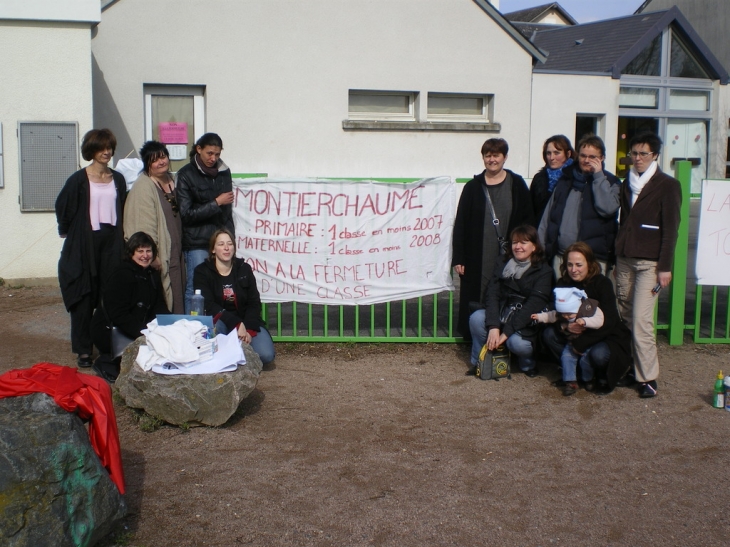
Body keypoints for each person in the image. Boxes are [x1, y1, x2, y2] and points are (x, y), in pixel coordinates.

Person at [614, 132, 681, 399]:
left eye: (643, 153)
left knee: (642, 320)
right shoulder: (626, 184)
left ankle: (648, 377)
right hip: (625, 258)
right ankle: (632, 368)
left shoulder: (668, 185)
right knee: (627, 317)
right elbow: (623, 221)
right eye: (634, 153)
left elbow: (671, 230)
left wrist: (665, 266)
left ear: (655, 155)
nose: (637, 158)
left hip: (650, 263)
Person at [55, 128, 127, 368]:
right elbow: (63, 208)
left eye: (109, 148)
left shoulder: (117, 179)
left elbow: (123, 208)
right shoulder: (78, 180)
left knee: (110, 296)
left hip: (112, 243)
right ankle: (84, 350)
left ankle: (110, 345)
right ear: (92, 151)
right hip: (85, 243)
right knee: (84, 298)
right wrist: (66, 231)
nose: (106, 152)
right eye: (101, 148)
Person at [452, 138, 534, 339]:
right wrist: (459, 257)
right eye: (488, 155)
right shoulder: (472, 187)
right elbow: (461, 223)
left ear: (504, 157)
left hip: (511, 254)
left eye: (496, 155)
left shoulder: (517, 184)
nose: (492, 160)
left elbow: (528, 219)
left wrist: (526, 248)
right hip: (477, 255)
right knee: (477, 294)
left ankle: (504, 336)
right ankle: (476, 340)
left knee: (506, 293)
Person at [542, 242, 632, 394]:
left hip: (602, 334)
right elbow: (556, 312)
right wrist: (564, 326)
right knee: (549, 335)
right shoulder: (563, 283)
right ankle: (573, 372)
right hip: (573, 331)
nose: (573, 270)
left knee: (598, 354)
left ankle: (599, 374)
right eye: (569, 265)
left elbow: (610, 321)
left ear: (589, 264)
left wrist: (581, 342)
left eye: (578, 265)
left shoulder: (602, 283)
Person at [468, 225, 552, 377]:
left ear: (534, 247)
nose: (518, 247)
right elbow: (492, 294)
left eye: (523, 242)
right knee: (476, 318)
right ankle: (478, 362)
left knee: (517, 343)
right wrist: (493, 326)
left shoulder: (544, 271)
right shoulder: (502, 262)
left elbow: (533, 305)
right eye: (514, 242)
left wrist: (505, 333)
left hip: (525, 319)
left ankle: (527, 364)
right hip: (502, 312)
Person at [538, 135, 621, 278]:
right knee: (562, 299)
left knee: (591, 301)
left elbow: (607, 208)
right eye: (583, 156)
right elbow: (548, 216)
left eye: (592, 157)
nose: (586, 160)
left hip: (593, 259)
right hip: (562, 257)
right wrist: (541, 247)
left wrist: (598, 177)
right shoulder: (566, 179)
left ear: (602, 158)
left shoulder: (611, 182)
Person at [90, 232, 170, 381]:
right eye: (140, 251)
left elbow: (159, 306)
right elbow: (118, 313)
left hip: (136, 325)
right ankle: (106, 361)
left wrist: (170, 325)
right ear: (131, 253)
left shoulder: (152, 275)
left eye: (148, 251)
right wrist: (143, 333)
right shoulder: (122, 275)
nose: (145, 255)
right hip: (111, 330)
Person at [193, 229, 275, 365]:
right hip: (221, 321)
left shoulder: (244, 269)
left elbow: (254, 302)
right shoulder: (202, 271)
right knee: (216, 341)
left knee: (266, 355)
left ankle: (238, 351)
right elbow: (209, 304)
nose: (226, 248)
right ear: (213, 249)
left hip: (246, 322)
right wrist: (236, 324)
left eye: (229, 244)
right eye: (221, 244)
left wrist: (248, 329)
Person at [124, 141, 185, 313]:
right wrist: (153, 254)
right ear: (147, 164)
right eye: (155, 160)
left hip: (177, 253)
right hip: (161, 255)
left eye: (163, 157)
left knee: (179, 293)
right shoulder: (144, 187)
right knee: (164, 298)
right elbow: (144, 226)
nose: (161, 162)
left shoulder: (173, 180)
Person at [177, 133, 235, 313]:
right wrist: (216, 202)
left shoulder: (224, 172)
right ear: (198, 149)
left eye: (217, 154)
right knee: (196, 288)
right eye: (210, 153)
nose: (213, 158)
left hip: (220, 238)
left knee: (220, 286)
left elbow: (227, 212)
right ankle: (192, 328)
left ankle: (215, 329)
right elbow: (186, 214)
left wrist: (229, 238)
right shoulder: (186, 174)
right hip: (197, 242)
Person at [533, 287, 605, 396]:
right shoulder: (562, 313)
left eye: (570, 314)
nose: (566, 317)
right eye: (564, 314)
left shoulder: (588, 308)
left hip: (588, 342)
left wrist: (585, 321)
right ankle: (570, 382)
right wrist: (539, 316)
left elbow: (599, 320)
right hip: (571, 342)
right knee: (566, 358)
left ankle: (587, 379)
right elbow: (551, 315)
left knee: (585, 361)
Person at [530, 135, 575, 221]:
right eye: (548, 153)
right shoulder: (539, 179)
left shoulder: (576, 177)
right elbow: (531, 209)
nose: (552, 158)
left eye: (556, 153)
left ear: (568, 154)